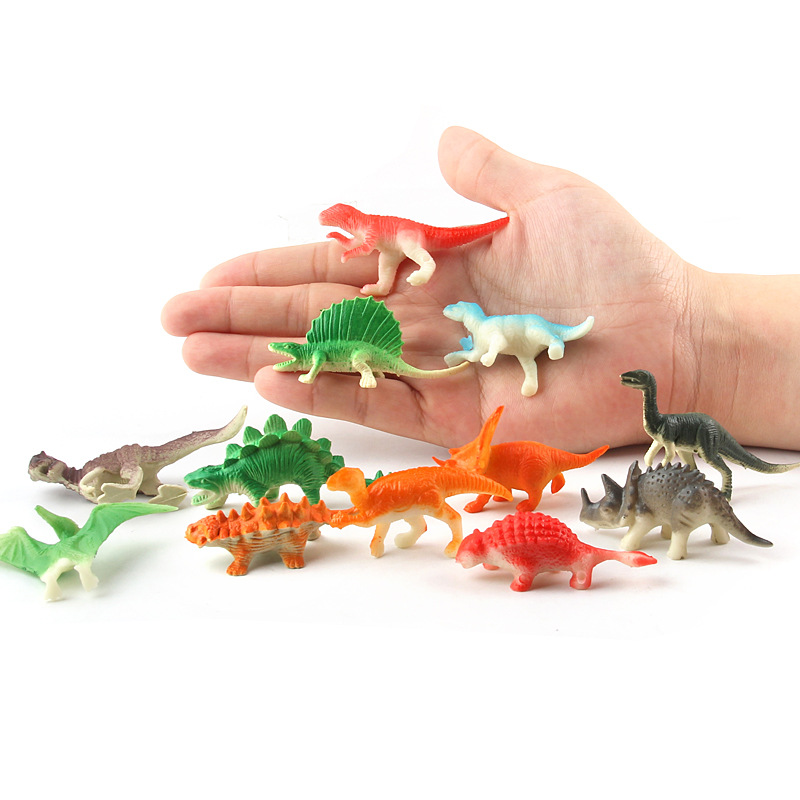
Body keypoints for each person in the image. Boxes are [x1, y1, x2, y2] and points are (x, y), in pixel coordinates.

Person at [161, 127, 800, 452]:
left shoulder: (435, 284)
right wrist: (699, 345)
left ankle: (547, 350)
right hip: (494, 330)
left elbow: (457, 313)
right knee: (516, 346)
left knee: (529, 340)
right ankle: (541, 353)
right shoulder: (377, 247)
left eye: (343, 226)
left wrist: (689, 335)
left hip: (498, 319)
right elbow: (390, 270)